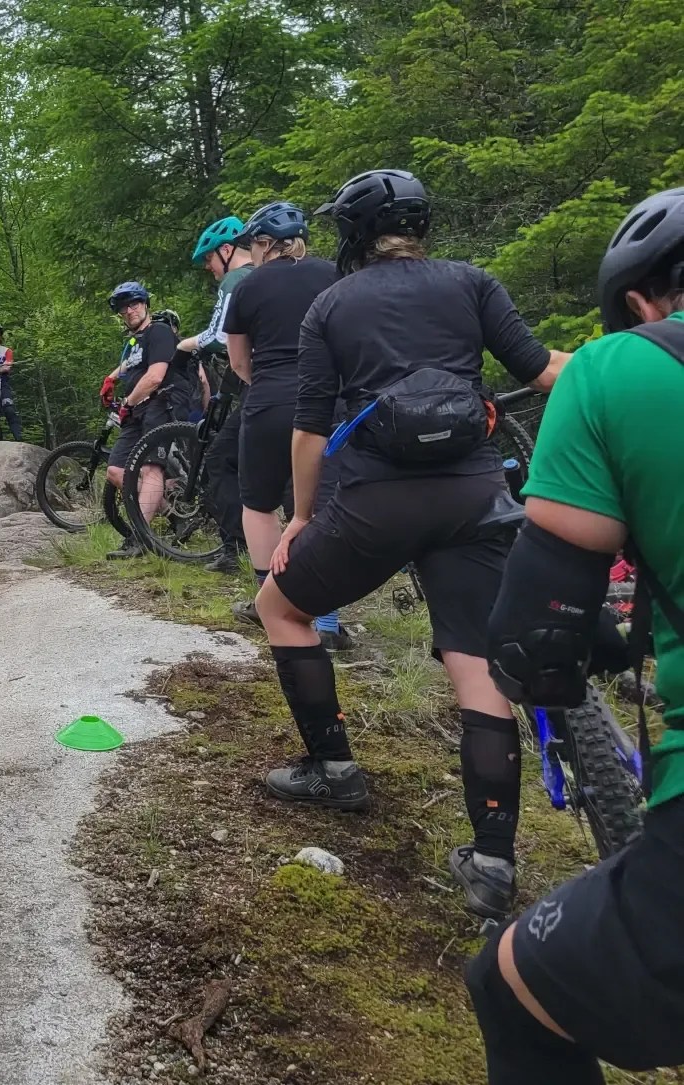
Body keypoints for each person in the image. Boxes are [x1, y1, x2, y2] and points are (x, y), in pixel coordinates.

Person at [254, 170, 567, 918]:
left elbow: (309, 428)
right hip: (473, 497)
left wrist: (300, 519)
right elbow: (548, 370)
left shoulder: (332, 302)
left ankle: (334, 769)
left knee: (281, 606)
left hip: (373, 503)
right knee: (476, 668)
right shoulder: (471, 283)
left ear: (354, 234)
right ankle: (492, 860)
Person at [470, 186, 684, 1084]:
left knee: (506, 983)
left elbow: (532, 642)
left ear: (642, 301)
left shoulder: (617, 371)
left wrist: (601, 637)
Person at [221, 201, 349, 649]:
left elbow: (238, 360)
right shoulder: (334, 274)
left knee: (257, 503)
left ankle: (267, 603)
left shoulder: (247, 287)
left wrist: (269, 384)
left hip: (269, 400)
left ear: (263, 243)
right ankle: (328, 622)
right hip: (326, 399)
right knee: (317, 506)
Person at [100, 281, 196, 559]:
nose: (129, 311)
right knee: (116, 472)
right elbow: (129, 365)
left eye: (134, 304)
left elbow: (155, 376)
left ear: (145, 305)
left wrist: (126, 403)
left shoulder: (160, 332)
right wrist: (110, 378)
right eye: (122, 308)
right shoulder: (134, 342)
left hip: (160, 403)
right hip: (136, 411)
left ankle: (140, 538)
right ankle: (176, 516)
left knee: (152, 469)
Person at [184, 215, 254, 570]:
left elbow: (220, 336)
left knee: (220, 459)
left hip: (264, 387)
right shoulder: (266, 274)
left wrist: (182, 346)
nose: (208, 268)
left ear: (227, 250)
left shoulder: (236, 280)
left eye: (209, 259)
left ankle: (237, 549)